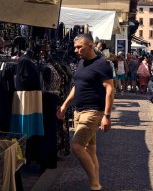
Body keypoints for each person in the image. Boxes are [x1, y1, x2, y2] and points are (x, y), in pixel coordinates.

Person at [57, 34, 114, 191]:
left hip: (93, 111)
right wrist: (64, 105)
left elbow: (110, 90)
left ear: (90, 46)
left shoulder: (103, 64)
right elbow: (77, 87)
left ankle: (95, 184)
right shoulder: (81, 63)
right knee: (90, 149)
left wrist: (107, 116)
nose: (76, 50)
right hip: (79, 112)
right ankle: (96, 183)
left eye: (79, 47)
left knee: (76, 146)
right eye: (75, 47)